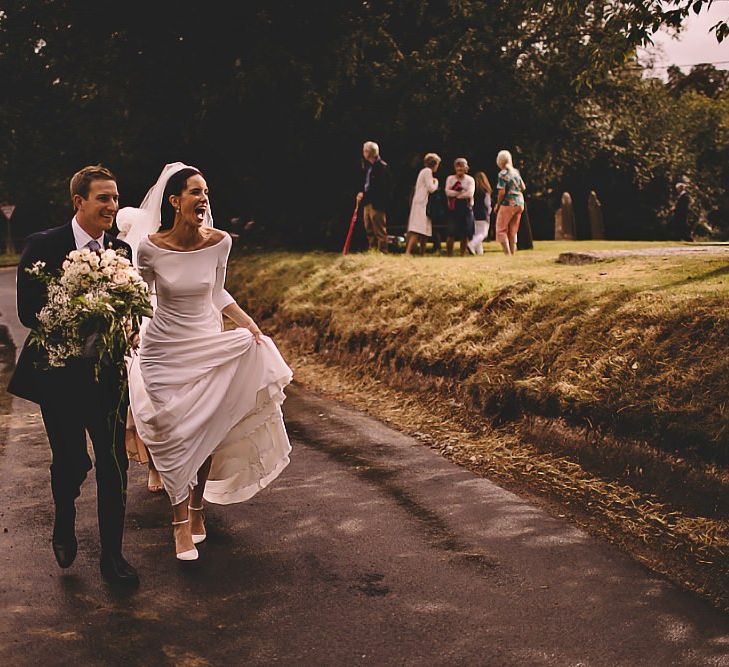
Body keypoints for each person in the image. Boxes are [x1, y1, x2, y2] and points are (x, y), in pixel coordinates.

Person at [118, 163, 292, 562]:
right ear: (175, 201)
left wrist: (251, 328)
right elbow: (143, 298)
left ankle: (195, 511)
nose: (203, 199)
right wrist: (131, 329)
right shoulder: (149, 247)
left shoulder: (220, 242)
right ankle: (179, 523)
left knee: (208, 426)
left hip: (205, 343)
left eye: (206, 192)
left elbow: (217, 294)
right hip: (163, 350)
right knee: (171, 429)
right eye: (195, 192)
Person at [8, 165, 139, 586]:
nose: (112, 206)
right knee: (71, 461)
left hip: (108, 377)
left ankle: (112, 559)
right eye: (104, 198)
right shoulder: (43, 246)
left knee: (114, 463)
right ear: (79, 202)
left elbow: (129, 308)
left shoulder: (122, 253)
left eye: (116, 198)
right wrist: (81, 309)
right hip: (60, 376)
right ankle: (64, 519)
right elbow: (29, 313)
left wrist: (127, 325)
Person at [356, 141, 391, 253]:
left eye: (365, 150)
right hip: (367, 201)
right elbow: (366, 184)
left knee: (379, 228)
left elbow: (381, 187)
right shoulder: (367, 167)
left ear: (370, 152)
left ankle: (382, 251)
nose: (363, 153)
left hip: (377, 202)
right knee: (368, 227)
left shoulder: (382, 167)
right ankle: (372, 250)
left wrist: (367, 194)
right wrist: (362, 193)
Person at [405, 153, 440, 255]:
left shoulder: (423, 171)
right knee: (417, 228)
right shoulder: (427, 171)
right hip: (422, 204)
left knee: (425, 229)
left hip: (423, 204)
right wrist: (436, 182)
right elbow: (431, 188)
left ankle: (422, 252)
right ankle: (408, 252)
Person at [493, 150, 526, 256]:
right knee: (513, 230)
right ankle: (512, 253)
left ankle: (507, 254)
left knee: (501, 229)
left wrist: (498, 204)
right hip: (520, 203)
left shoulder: (502, 174)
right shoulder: (515, 172)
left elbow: (501, 192)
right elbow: (523, 187)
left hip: (508, 203)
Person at [445, 158, 476, 256]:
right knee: (451, 232)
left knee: (465, 233)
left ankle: (462, 254)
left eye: (462, 166)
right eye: (457, 166)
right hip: (453, 208)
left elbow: (470, 193)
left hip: (466, 207)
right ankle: (449, 255)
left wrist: (457, 195)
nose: (459, 168)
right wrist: (460, 193)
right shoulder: (450, 179)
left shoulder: (470, 179)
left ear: (466, 167)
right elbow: (447, 192)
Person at [468, 171, 493, 255]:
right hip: (483, 213)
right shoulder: (485, 191)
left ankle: (479, 252)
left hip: (474, 213)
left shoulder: (473, 191)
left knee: (477, 233)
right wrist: (489, 212)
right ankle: (471, 244)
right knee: (483, 233)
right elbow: (487, 203)